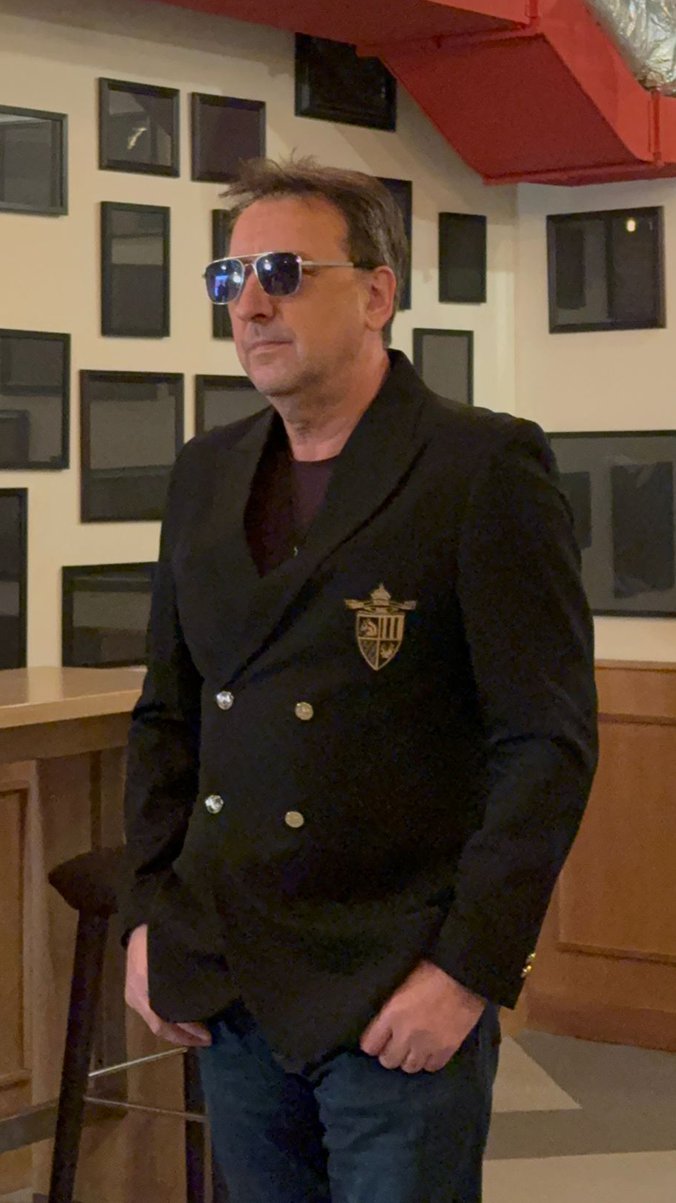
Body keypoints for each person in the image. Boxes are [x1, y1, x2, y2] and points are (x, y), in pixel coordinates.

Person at [122, 158, 598, 1203]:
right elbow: (167, 715)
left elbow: (545, 744)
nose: (251, 303)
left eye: (285, 272)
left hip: (397, 981)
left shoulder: (481, 467)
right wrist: (147, 917)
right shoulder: (206, 470)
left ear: (378, 293)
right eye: (231, 278)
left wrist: (469, 971)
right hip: (234, 975)